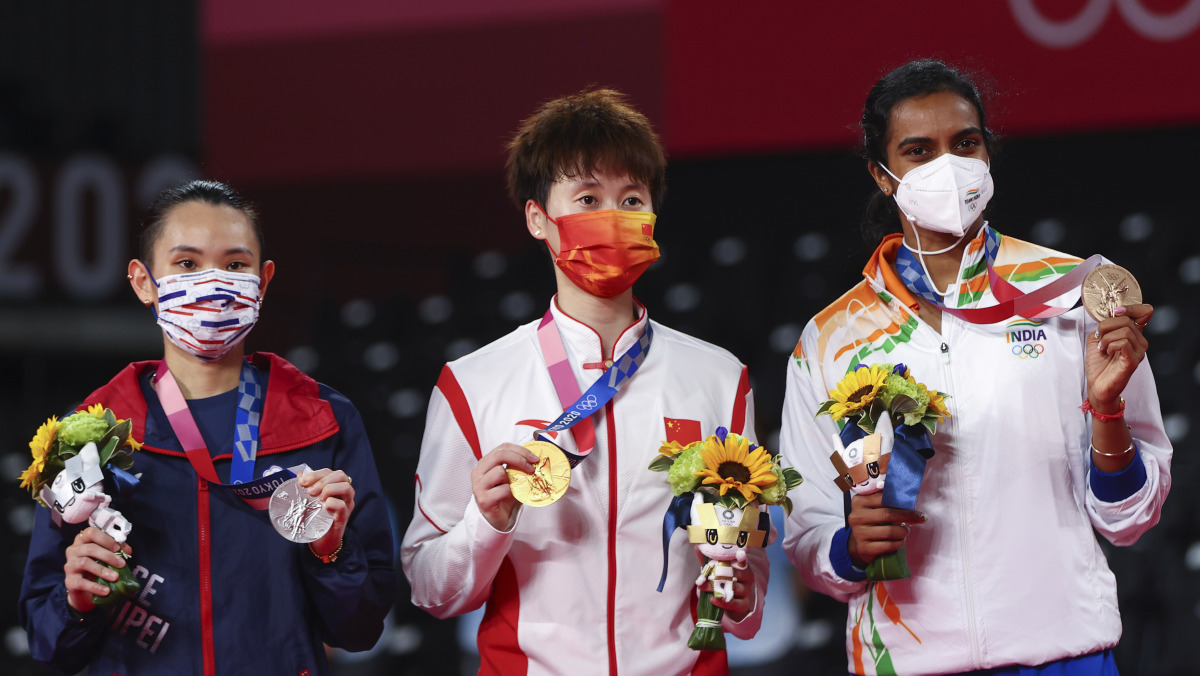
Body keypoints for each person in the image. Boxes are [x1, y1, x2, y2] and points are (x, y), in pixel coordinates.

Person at [780, 59, 1172, 675]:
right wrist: (852, 549)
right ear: (882, 177)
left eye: (965, 143)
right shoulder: (830, 339)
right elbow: (808, 539)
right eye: (918, 150)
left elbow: (1130, 518)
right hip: (906, 662)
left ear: (987, 153)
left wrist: (1108, 412)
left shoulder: (1070, 293)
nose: (949, 165)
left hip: (1063, 655)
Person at [401, 88, 768, 674]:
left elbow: (745, 585)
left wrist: (743, 600)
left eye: (631, 199)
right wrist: (487, 525)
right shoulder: (472, 384)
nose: (613, 218)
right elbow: (431, 587)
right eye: (589, 197)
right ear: (538, 219)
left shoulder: (720, 377)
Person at [19, 180, 396, 675]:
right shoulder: (90, 435)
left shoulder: (323, 419)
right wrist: (78, 602)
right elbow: (49, 646)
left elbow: (359, 630)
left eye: (235, 265)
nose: (214, 284)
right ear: (142, 281)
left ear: (263, 281)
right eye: (187, 264)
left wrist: (331, 550)